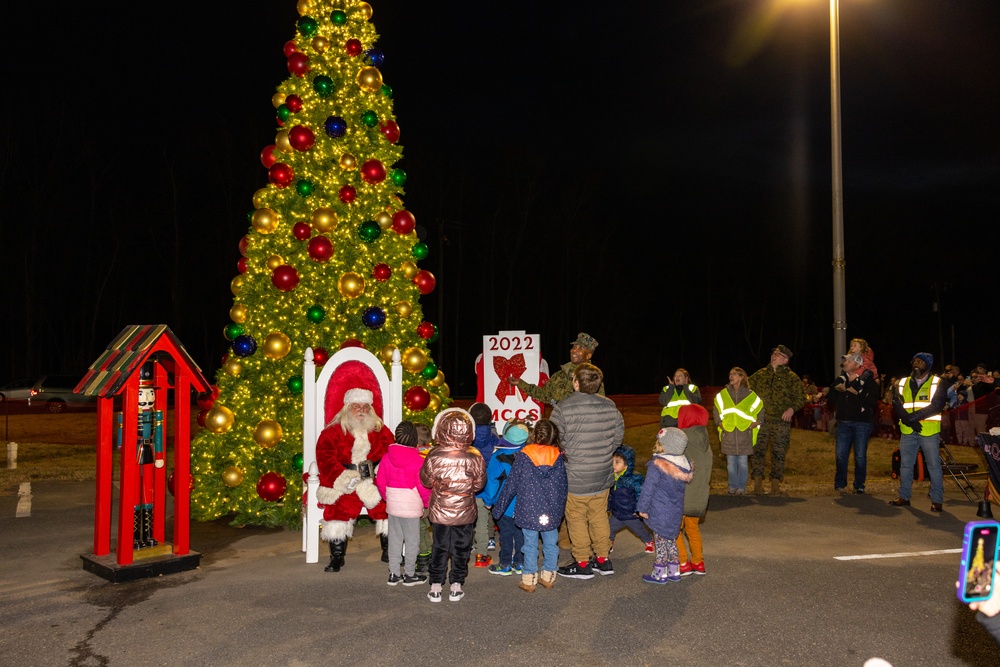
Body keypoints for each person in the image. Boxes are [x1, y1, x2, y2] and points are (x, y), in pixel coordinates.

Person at [550, 363, 624, 579]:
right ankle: (603, 559)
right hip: (602, 472)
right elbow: (618, 436)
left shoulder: (562, 408)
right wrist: (605, 452)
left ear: (575, 382)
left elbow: (556, 440)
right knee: (599, 515)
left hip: (575, 475)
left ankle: (582, 563)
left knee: (576, 518)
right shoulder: (610, 406)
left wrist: (568, 452)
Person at [315, 387, 393, 573]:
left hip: (373, 480)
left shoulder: (381, 431)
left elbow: (392, 454)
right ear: (347, 408)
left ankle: (389, 550)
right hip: (344, 481)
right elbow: (325, 459)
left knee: (387, 504)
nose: (361, 410)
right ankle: (337, 557)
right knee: (338, 508)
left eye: (365, 407)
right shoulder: (332, 432)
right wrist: (344, 479)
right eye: (356, 406)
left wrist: (380, 473)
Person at [492, 419, 568, 592]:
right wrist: (560, 509)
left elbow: (511, 485)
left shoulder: (524, 456)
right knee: (550, 543)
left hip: (528, 509)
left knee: (530, 544)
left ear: (534, 435)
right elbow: (563, 487)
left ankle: (529, 578)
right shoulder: (558, 457)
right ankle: (548, 576)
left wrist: (498, 509)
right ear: (554, 436)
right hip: (551, 510)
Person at [420, 408, 487, 602]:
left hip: (440, 511)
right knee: (461, 548)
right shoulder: (475, 455)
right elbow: (479, 484)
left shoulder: (434, 455)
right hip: (465, 511)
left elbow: (425, 481)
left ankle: (435, 586)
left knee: (440, 546)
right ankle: (456, 584)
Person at [889, 352, 948, 512]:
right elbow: (896, 403)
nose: (916, 364)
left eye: (921, 362)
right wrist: (908, 420)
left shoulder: (938, 382)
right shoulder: (902, 383)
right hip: (908, 430)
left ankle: (937, 500)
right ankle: (904, 497)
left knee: (933, 465)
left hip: (928, 430)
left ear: (928, 365)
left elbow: (936, 405)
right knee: (906, 465)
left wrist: (912, 418)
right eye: (915, 361)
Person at [375, 421, 431, 586]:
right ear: (414, 439)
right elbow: (423, 486)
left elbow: (380, 481)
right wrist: (427, 503)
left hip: (393, 504)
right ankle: (409, 574)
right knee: (412, 540)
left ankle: (393, 573)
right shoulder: (417, 460)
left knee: (395, 539)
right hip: (411, 506)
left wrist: (388, 497)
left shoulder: (386, 457)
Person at [637, 428, 693, 584]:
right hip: (675, 511)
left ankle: (659, 573)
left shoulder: (658, 465)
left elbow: (648, 488)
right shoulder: (682, 465)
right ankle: (674, 571)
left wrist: (642, 508)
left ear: (665, 446)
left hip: (659, 510)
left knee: (660, 541)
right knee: (670, 539)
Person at [748, 344, 805, 495]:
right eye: (773, 353)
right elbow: (744, 388)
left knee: (779, 453)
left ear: (785, 360)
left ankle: (775, 486)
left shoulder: (791, 378)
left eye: (778, 354)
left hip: (780, 422)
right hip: (761, 421)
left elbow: (801, 397)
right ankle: (758, 485)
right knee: (757, 452)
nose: (774, 355)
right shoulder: (760, 374)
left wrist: (791, 409)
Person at [481, 419, 530, 576]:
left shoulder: (498, 457)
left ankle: (505, 564)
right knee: (521, 534)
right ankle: (520, 563)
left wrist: (488, 501)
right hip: (524, 505)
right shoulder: (529, 455)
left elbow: (492, 483)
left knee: (506, 534)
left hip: (505, 505)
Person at [508, 332, 604, 406]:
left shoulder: (593, 378)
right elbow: (544, 395)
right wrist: (520, 383)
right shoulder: (559, 376)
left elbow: (600, 406)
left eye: (580, 349)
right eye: (574, 347)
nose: (574, 350)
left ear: (588, 355)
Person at [831, 352, 880, 494]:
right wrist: (838, 390)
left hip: (862, 424)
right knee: (841, 454)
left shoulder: (867, 380)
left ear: (857, 365)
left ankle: (859, 484)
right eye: (845, 361)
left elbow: (873, 401)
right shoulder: (841, 379)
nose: (844, 363)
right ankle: (840, 484)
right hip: (844, 423)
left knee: (859, 456)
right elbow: (831, 398)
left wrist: (858, 392)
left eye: (848, 361)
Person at [714, 366, 763, 495]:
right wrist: (719, 422)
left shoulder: (750, 394)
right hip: (728, 432)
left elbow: (760, 408)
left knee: (742, 463)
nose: (731, 376)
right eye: (730, 374)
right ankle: (732, 487)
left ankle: (742, 488)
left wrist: (758, 422)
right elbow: (716, 409)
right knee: (730, 464)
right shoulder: (723, 394)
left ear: (742, 377)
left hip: (744, 432)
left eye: (734, 374)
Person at [676, 404, 712, 576]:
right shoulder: (705, 440)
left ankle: (682, 562)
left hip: (683, 494)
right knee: (693, 529)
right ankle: (698, 562)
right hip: (699, 495)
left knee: (674, 530)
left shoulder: (683, 440)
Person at [607, 445, 654, 553]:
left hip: (630, 515)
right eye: (612, 461)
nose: (613, 465)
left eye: (617, 462)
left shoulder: (633, 480)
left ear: (627, 465)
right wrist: (608, 507)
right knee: (609, 529)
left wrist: (639, 510)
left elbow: (640, 495)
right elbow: (610, 495)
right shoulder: (612, 478)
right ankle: (609, 543)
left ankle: (649, 540)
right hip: (617, 513)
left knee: (640, 531)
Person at [469, 402, 499, 568]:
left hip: (466, 488)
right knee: (482, 521)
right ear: (491, 419)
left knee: (465, 521)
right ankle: (482, 556)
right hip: (484, 487)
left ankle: (466, 548)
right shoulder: (494, 438)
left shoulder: (466, 438)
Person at [414, 422, 434, 576]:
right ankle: (432, 551)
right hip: (435, 498)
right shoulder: (434, 454)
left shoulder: (415, 456)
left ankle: (423, 556)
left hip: (420, 498)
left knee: (420, 529)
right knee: (430, 527)